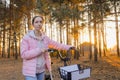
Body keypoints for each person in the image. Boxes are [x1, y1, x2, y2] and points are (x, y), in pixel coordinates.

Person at [20, 15, 74, 80]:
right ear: (33, 24)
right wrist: (39, 50)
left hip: (41, 70)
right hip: (30, 71)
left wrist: (68, 47)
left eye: (40, 22)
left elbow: (56, 44)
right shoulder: (27, 38)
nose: (39, 24)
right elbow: (24, 54)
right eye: (36, 22)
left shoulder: (45, 38)